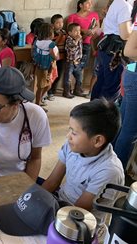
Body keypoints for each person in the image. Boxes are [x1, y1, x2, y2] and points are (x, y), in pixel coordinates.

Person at [42, 99, 124, 224]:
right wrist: (34, 200)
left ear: (97, 141)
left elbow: (77, 213)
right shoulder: (72, 146)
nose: (68, 136)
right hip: (60, 200)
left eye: (74, 133)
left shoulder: (108, 171)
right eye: (70, 130)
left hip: (80, 222)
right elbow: (52, 181)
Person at [91, 0, 133, 101]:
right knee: (112, 87)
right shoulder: (124, 6)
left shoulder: (117, 3)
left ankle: (92, 112)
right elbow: (124, 34)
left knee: (102, 82)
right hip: (115, 50)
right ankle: (103, 115)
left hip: (107, 46)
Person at [114, 2, 137, 169]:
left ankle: (109, 169)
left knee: (123, 127)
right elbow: (128, 51)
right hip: (135, 76)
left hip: (133, 74)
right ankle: (115, 176)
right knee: (129, 131)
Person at [67, 0, 100, 92]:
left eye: (91, 3)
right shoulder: (72, 17)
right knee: (73, 66)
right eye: (88, 3)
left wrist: (92, 31)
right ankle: (71, 88)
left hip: (88, 43)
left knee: (82, 66)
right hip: (76, 45)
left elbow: (98, 26)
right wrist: (83, 31)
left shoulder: (94, 14)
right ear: (81, 5)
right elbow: (69, 30)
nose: (90, 5)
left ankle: (78, 87)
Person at [33, 23, 58, 110]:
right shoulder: (48, 44)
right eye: (53, 32)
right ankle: (37, 104)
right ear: (49, 34)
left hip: (49, 67)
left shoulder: (38, 42)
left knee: (48, 85)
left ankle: (39, 100)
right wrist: (56, 57)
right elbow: (52, 54)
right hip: (45, 67)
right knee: (41, 86)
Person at [47, 14, 66, 100]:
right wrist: (60, 37)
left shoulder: (64, 32)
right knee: (51, 75)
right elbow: (52, 44)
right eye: (58, 23)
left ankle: (53, 91)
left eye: (61, 22)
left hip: (62, 57)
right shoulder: (51, 33)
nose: (60, 24)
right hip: (53, 58)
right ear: (52, 25)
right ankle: (48, 91)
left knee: (58, 75)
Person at [64, 23, 83, 99]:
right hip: (70, 62)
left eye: (79, 30)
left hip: (77, 62)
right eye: (75, 31)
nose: (78, 33)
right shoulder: (69, 39)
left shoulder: (80, 39)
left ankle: (77, 90)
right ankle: (66, 92)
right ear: (70, 33)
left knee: (79, 77)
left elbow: (80, 49)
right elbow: (72, 49)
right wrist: (77, 40)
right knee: (67, 78)